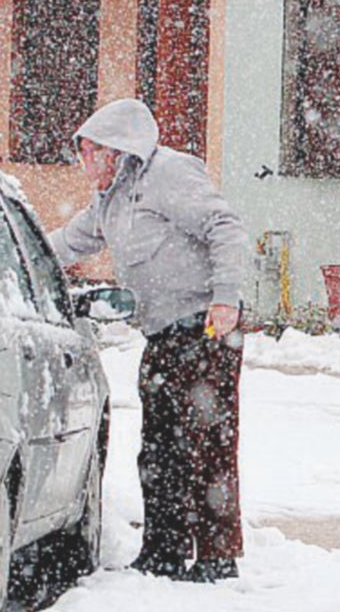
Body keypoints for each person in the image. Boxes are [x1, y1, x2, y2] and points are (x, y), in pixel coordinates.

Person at [48, 98, 248, 582]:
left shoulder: (169, 175)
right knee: (159, 447)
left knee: (205, 444)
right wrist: (22, 252)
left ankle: (216, 557)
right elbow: (72, 241)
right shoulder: (112, 198)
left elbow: (226, 228)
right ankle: (164, 551)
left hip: (204, 327)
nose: (84, 164)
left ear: (115, 151)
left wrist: (226, 298)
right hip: (162, 334)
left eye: (89, 153)